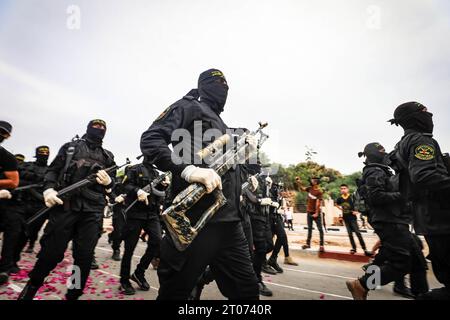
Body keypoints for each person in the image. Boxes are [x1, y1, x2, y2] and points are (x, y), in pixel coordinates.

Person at [140, 69, 259, 300]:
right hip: (196, 220)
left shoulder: (222, 124)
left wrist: (245, 154)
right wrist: (188, 170)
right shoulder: (188, 106)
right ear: (203, 85)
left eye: (226, 84)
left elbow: (224, 169)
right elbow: (151, 139)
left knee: (247, 291)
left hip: (231, 223)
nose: (222, 87)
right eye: (217, 82)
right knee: (176, 292)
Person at [17, 119, 116, 300]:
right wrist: (48, 189)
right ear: (88, 128)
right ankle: (31, 287)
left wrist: (109, 183)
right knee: (51, 254)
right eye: (96, 126)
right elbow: (53, 171)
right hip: (66, 207)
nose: (99, 130)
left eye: (103, 128)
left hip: (92, 212)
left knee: (84, 259)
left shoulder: (108, 156)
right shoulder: (70, 148)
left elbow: (113, 187)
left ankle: (73, 294)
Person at [346, 142, 428, 300]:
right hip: (389, 222)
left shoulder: (381, 170)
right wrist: (403, 195)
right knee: (402, 263)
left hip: (395, 221)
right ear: (374, 154)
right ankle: (362, 284)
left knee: (417, 260)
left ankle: (419, 294)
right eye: (382, 151)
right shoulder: (374, 171)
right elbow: (376, 197)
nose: (386, 153)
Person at [389, 102, 450, 300]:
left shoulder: (403, 143)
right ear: (414, 117)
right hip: (440, 217)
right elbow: (424, 175)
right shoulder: (421, 141)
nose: (430, 115)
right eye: (424, 112)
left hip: (429, 218)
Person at [118, 161, 168, 295]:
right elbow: (125, 185)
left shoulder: (157, 173)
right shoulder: (135, 169)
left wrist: (164, 186)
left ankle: (139, 272)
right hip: (135, 213)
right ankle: (124, 280)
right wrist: (137, 190)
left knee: (157, 241)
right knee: (129, 248)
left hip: (152, 213)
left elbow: (160, 194)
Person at [14, 146, 50, 256]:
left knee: (34, 229)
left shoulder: (50, 170)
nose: (44, 154)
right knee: (19, 231)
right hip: (24, 203)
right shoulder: (27, 166)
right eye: (41, 152)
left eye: (46, 152)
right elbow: (18, 176)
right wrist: (34, 177)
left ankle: (31, 244)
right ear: (37, 154)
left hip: (40, 205)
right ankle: (13, 256)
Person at [0, 121, 20, 285]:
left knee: (11, 234)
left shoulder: (6, 157)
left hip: (4, 202)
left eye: (3, 133)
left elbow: (13, 182)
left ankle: (4, 268)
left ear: (7, 136)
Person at [267, 177, 298, 272]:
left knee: (282, 237)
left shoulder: (280, 196)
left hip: (276, 217)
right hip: (269, 218)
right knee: (268, 243)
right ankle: (264, 261)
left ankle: (274, 258)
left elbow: (278, 207)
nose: (287, 193)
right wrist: (273, 204)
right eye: (286, 191)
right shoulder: (271, 191)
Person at [335, 184, 370, 255]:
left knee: (358, 233)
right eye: (341, 189)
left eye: (344, 188)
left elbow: (359, 204)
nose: (343, 190)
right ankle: (354, 248)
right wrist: (340, 208)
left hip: (352, 218)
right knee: (350, 234)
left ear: (347, 189)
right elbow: (336, 204)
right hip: (345, 219)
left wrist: (357, 211)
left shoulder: (352, 197)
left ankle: (365, 249)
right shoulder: (340, 198)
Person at [295, 177, 325, 252]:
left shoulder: (319, 192)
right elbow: (302, 189)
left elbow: (318, 203)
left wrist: (317, 213)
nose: (310, 181)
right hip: (309, 212)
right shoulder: (310, 188)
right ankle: (308, 244)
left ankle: (321, 245)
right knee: (309, 229)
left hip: (316, 213)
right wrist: (298, 182)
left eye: (312, 181)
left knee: (320, 229)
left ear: (315, 182)